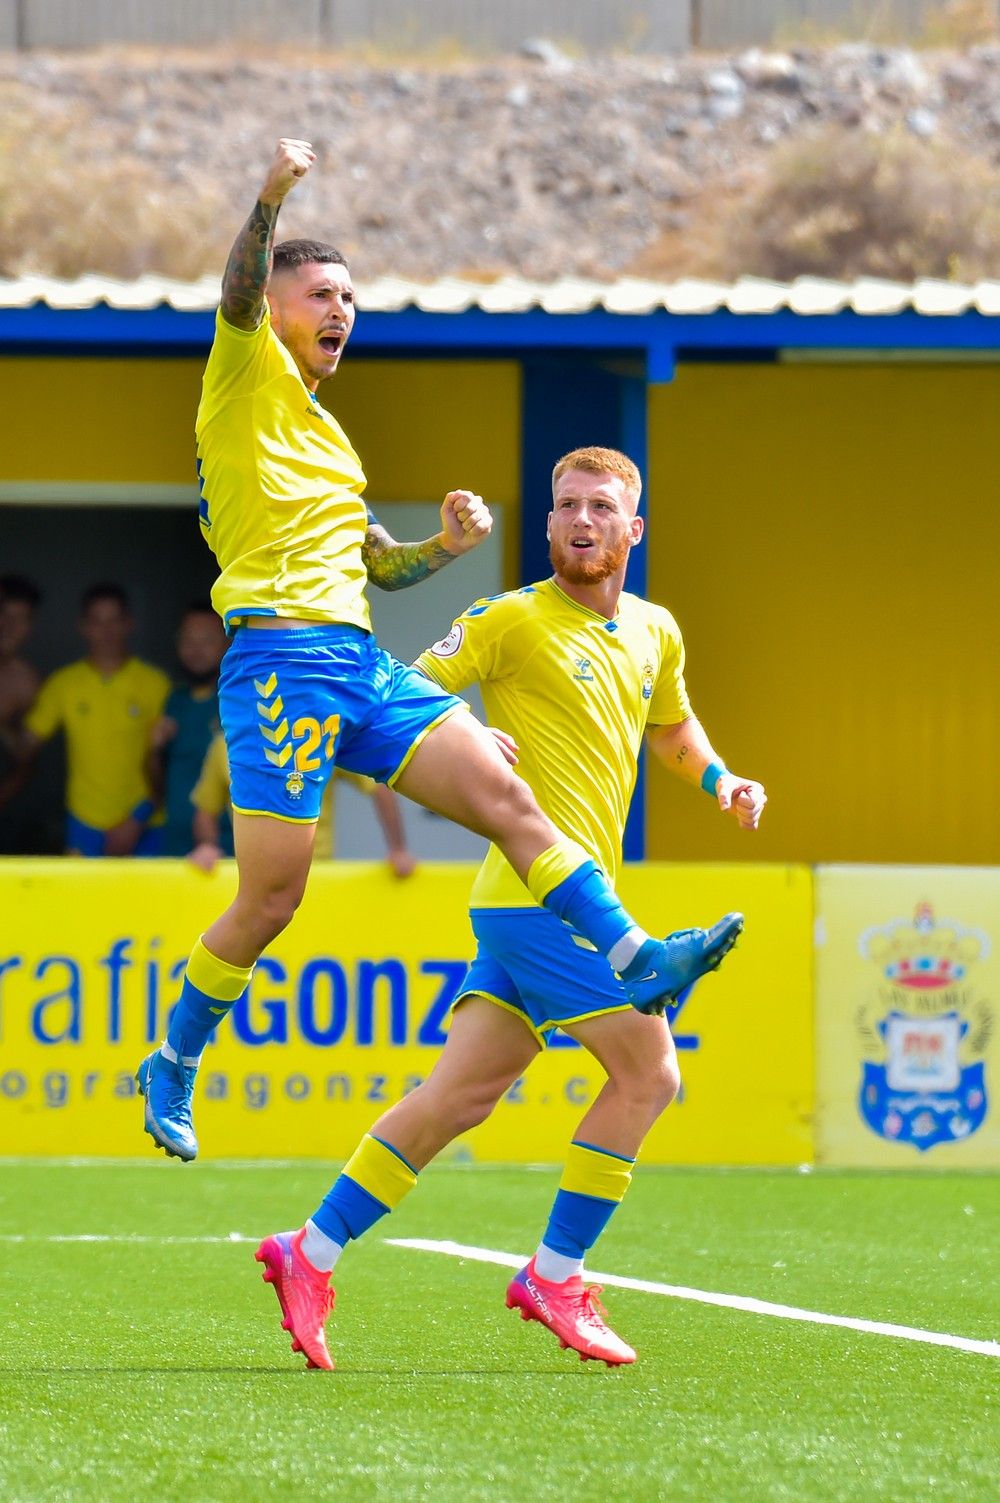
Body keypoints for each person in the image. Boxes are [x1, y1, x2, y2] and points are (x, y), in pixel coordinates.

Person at [136, 138, 741, 1165]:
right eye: (323, 292)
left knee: (509, 804)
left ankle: (638, 954)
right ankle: (176, 1057)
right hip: (278, 663)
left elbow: (380, 570)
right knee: (272, 899)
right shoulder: (240, 372)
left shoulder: (325, 441)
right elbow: (239, 286)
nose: (341, 311)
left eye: (352, 300)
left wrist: (444, 550)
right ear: (274, 302)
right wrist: (271, 198)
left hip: (359, 662)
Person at [254, 446, 767, 1372]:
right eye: (567, 504)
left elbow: (673, 726)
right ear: (548, 525)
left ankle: (308, 1251)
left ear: (632, 529)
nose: (581, 520)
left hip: (547, 904)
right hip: (542, 906)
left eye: (601, 507)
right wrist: (454, 727)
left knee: (457, 1096)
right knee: (651, 1075)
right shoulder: (511, 620)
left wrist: (723, 780)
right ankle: (556, 1275)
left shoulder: (657, 632)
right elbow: (395, 696)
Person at [21, 583, 169, 856]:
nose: (107, 631)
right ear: (83, 626)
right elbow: (24, 746)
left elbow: (174, 765)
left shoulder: (156, 684)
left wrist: (138, 818)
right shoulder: (63, 684)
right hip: (84, 824)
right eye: (97, 621)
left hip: (145, 824)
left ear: (129, 624)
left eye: (114, 621)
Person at [187, 728, 416, 876]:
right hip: (252, 880)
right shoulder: (225, 743)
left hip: (316, 875)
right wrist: (207, 846)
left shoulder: (320, 736)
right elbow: (206, 809)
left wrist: (398, 849)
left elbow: (378, 788)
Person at [149, 602, 230, 857]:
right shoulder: (174, 701)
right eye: (188, 640)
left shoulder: (238, 702)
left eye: (206, 640)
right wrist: (153, 749)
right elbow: (156, 785)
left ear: (228, 643)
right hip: (175, 842)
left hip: (225, 846)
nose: (196, 650)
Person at [0, 574, 42, 850]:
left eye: (21, 619)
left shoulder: (26, 682)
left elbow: (25, 763)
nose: (9, 626)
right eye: (3, 615)